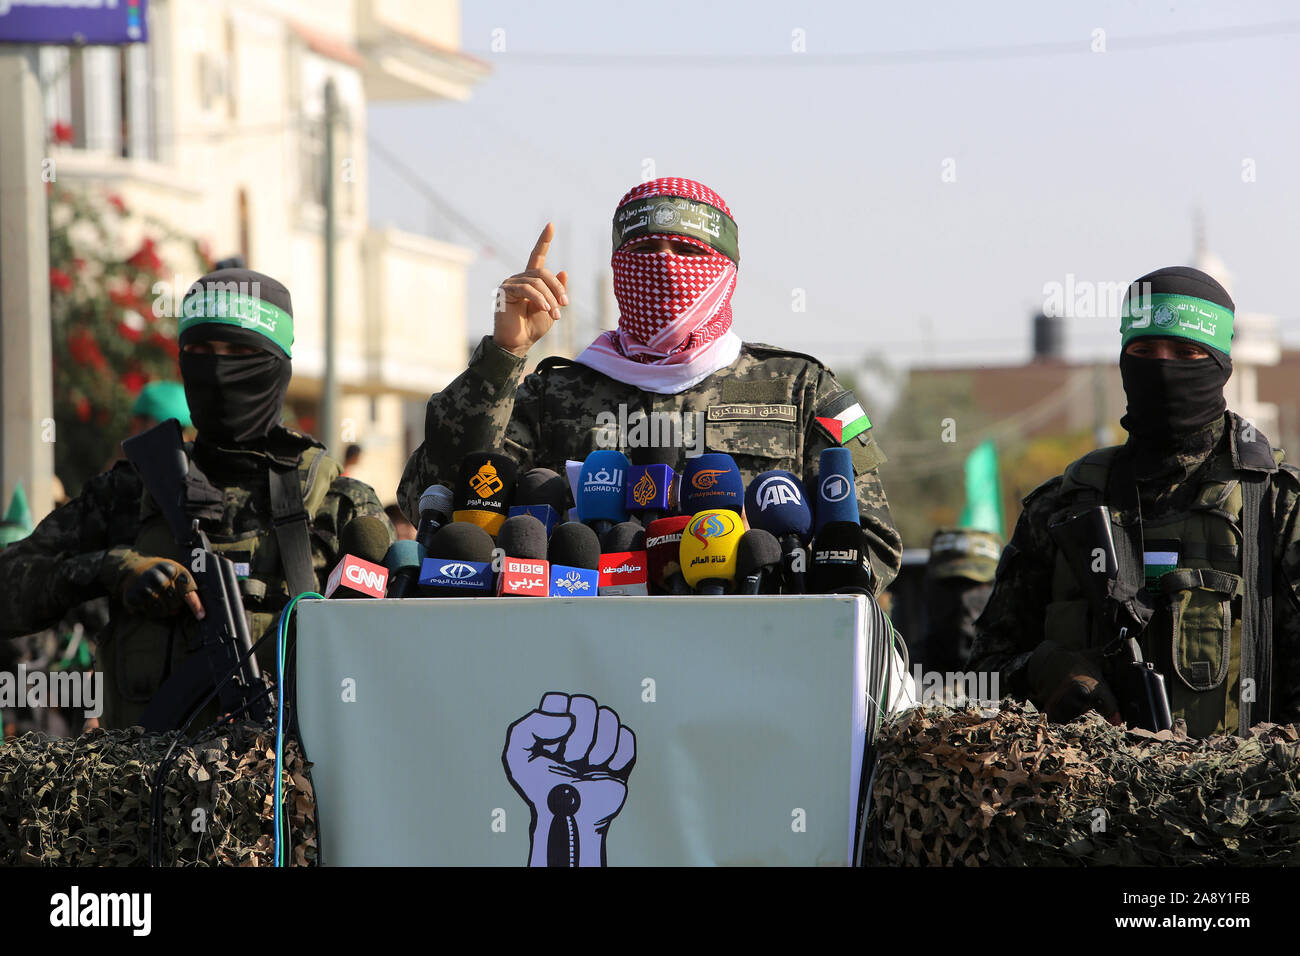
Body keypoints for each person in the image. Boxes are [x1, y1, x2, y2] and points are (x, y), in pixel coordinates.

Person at [398, 178, 901, 588]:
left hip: (755, 649)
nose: (662, 263)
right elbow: (432, 492)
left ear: (726, 269)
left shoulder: (799, 389)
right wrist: (503, 356)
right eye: (644, 248)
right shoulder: (553, 396)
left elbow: (872, 543)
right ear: (619, 266)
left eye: (685, 249)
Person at [0, 268, 394, 730]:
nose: (219, 371)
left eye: (240, 352)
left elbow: (391, 671)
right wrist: (113, 569)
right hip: (139, 795)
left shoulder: (340, 507)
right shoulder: (128, 493)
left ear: (276, 362)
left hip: (289, 797)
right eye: (201, 352)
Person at [971, 266, 1300, 738]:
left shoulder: (1278, 508)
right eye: (1145, 351)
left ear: (1221, 364)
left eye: (1185, 352)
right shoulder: (1062, 507)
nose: (1163, 366)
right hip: (1085, 799)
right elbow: (983, 671)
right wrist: (1046, 671)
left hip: (1235, 803)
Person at [912, 527, 1001, 676]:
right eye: (950, 586)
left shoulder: (1019, 670)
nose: (961, 599)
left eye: (975, 585)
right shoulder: (901, 671)